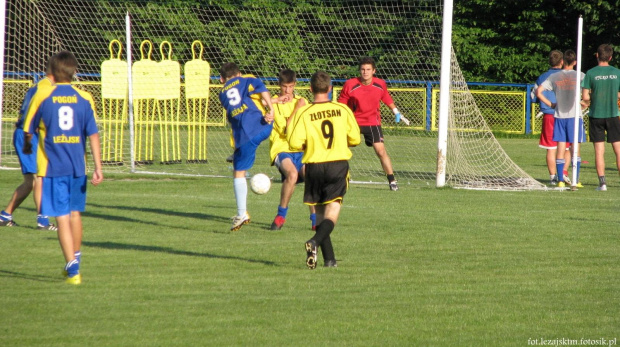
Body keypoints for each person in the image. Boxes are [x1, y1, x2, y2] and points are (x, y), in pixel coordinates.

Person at [22, 51, 103, 285]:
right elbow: (93, 134)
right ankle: (75, 260)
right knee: (75, 214)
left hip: (53, 167)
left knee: (61, 218)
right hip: (79, 165)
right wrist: (98, 166)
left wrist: (28, 145)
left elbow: (29, 129)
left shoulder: (43, 95)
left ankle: (72, 269)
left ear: (52, 74)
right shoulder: (85, 97)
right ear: (74, 72)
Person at [287, 71, 361, 269]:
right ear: (330, 89)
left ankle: (330, 260)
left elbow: (293, 142)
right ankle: (314, 242)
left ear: (310, 89)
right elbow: (355, 139)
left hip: (314, 166)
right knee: (332, 213)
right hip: (337, 165)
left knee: (319, 214)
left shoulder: (304, 113)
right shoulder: (342, 109)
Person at [0, 57, 58, 230]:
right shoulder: (45, 88)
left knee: (31, 182)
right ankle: (43, 221)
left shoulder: (41, 85)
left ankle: (5, 215)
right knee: (40, 178)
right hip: (28, 135)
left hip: (26, 133)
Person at [218, 63, 274, 230]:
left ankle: (242, 214)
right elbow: (262, 89)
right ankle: (237, 154)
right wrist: (271, 109)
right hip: (264, 125)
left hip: (247, 135)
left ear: (221, 79)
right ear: (239, 73)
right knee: (239, 163)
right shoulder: (246, 79)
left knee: (238, 172)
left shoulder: (222, 94)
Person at [337, 57, 403, 191]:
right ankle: (342, 177)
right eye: (362, 69)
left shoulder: (380, 84)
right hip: (353, 122)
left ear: (374, 71)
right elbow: (341, 103)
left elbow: (386, 97)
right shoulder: (350, 84)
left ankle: (392, 181)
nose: (365, 72)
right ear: (359, 71)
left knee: (381, 151)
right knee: (341, 149)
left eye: (368, 69)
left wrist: (395, 111)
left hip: (372, 122)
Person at [268, 69, 316, 230]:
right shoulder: (274, 103)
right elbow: (288, 130)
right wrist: (297, 109)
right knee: (293, 174)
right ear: (279, 86)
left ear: (295, 85)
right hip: (282, 149)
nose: (287, 91)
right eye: (284, 87)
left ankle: (315, 220)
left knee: (311, 176)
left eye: (290, 87)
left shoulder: (303, 101)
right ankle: (281, 215)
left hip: (301, 150)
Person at [536, 49, 585, 188]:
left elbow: (539, 92)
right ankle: (575, 179)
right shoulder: (580, 76)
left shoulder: (555, 76)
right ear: (575, 62)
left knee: (560, 147)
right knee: (575, 148)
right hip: (574, 116)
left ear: (563, 61)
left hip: (559, 115)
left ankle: (560, 181)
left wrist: (551, 104)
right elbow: (589, 92)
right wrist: (586, 102)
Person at [581, 44, 620, 191]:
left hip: (596, 115)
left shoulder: (591, 73)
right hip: (613, 115)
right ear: (610, 57)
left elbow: (585, 97)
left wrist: (593, 95)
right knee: (618, 150)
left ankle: (602, 183)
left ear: (597, 55)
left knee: (599, 150)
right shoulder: (617, 73)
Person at [533, 50, 566, 185]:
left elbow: (533, 96)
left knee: (551, 148)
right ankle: (563, 175)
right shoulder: (566, 76)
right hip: (564, 114)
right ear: (562, 62)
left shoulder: (542, 77)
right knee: (566, 147)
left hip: (549, 115)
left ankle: (553, 178)